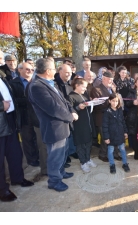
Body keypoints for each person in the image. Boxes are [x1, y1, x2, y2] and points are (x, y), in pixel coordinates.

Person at [28, 58, 77, 192]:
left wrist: (72, 110)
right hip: (53, 129)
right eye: (54, 69)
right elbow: (53, 108)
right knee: (55, 156)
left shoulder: (50, 83)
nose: (55, 71)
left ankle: (61, 173)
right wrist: (70, 117)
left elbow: (64, 101)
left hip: (62, 127)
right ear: (48, 71)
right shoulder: (37, 86)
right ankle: (54, 181)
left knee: (62, 154)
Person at [0, 70, 34, 202]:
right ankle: (2, 190)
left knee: (15, 153)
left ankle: (17, 178)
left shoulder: (2, 76)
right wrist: (1, 106)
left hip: (10, 120)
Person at [9, 62, 40, 167]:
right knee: (28, 138)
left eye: (32, 70)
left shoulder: (36, 81)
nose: (30, 71)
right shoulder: (13, 83)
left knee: (38, 137)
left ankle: (39, 156)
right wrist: (28, 100)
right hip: (24, 115)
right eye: (27, 69)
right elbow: (12, 100)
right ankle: (32, 160)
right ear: (20, 70)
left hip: (37, 114)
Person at [90, 71, 122, 162]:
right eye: (109, 79)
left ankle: (115, 154)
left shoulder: (112, 89)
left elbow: (116, 101)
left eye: (112, 80)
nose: (111, 81)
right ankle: (102, 154)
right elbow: (98, 106)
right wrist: (110, 102)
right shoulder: (96, 89)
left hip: (113, 117)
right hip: (102, 117)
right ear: (103, 79)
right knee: (105, 137)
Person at [68, 78, 97, 173]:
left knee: (89, 142)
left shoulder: (85, 95)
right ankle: (83, 162)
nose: (85, 89)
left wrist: (93, 101)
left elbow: (88, 105)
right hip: (79, 125)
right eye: (83, 86)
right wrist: (78, 107)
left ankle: (88, 159)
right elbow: (69, 111)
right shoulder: (71, 96)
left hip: (88, 123)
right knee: (80, 144)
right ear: (77, 85)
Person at [54, 64, 79, 167]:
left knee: (71, 133)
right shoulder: (55, 84)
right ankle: (65, 155)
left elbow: (69, 99)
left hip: (70, 112)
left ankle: (71, 151)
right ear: (60, 72)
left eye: (70, 73)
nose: (69, 74)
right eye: (67, 72)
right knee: (64, 136)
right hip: (60, 115)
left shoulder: (69, 84)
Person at [102, 93, 130, 174]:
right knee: (110, 150)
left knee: (122, 149)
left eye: (116, 101)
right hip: (111, 135)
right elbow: (105, 126)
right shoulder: (107, 112)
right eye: (113, 101)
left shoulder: (120, 110)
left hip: (120, 134)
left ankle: (125, 163)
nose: (115, 103)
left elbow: (123, 122)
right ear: (109, 101)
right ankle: (112, 165)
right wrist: (106, 137)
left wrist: (125, 131)